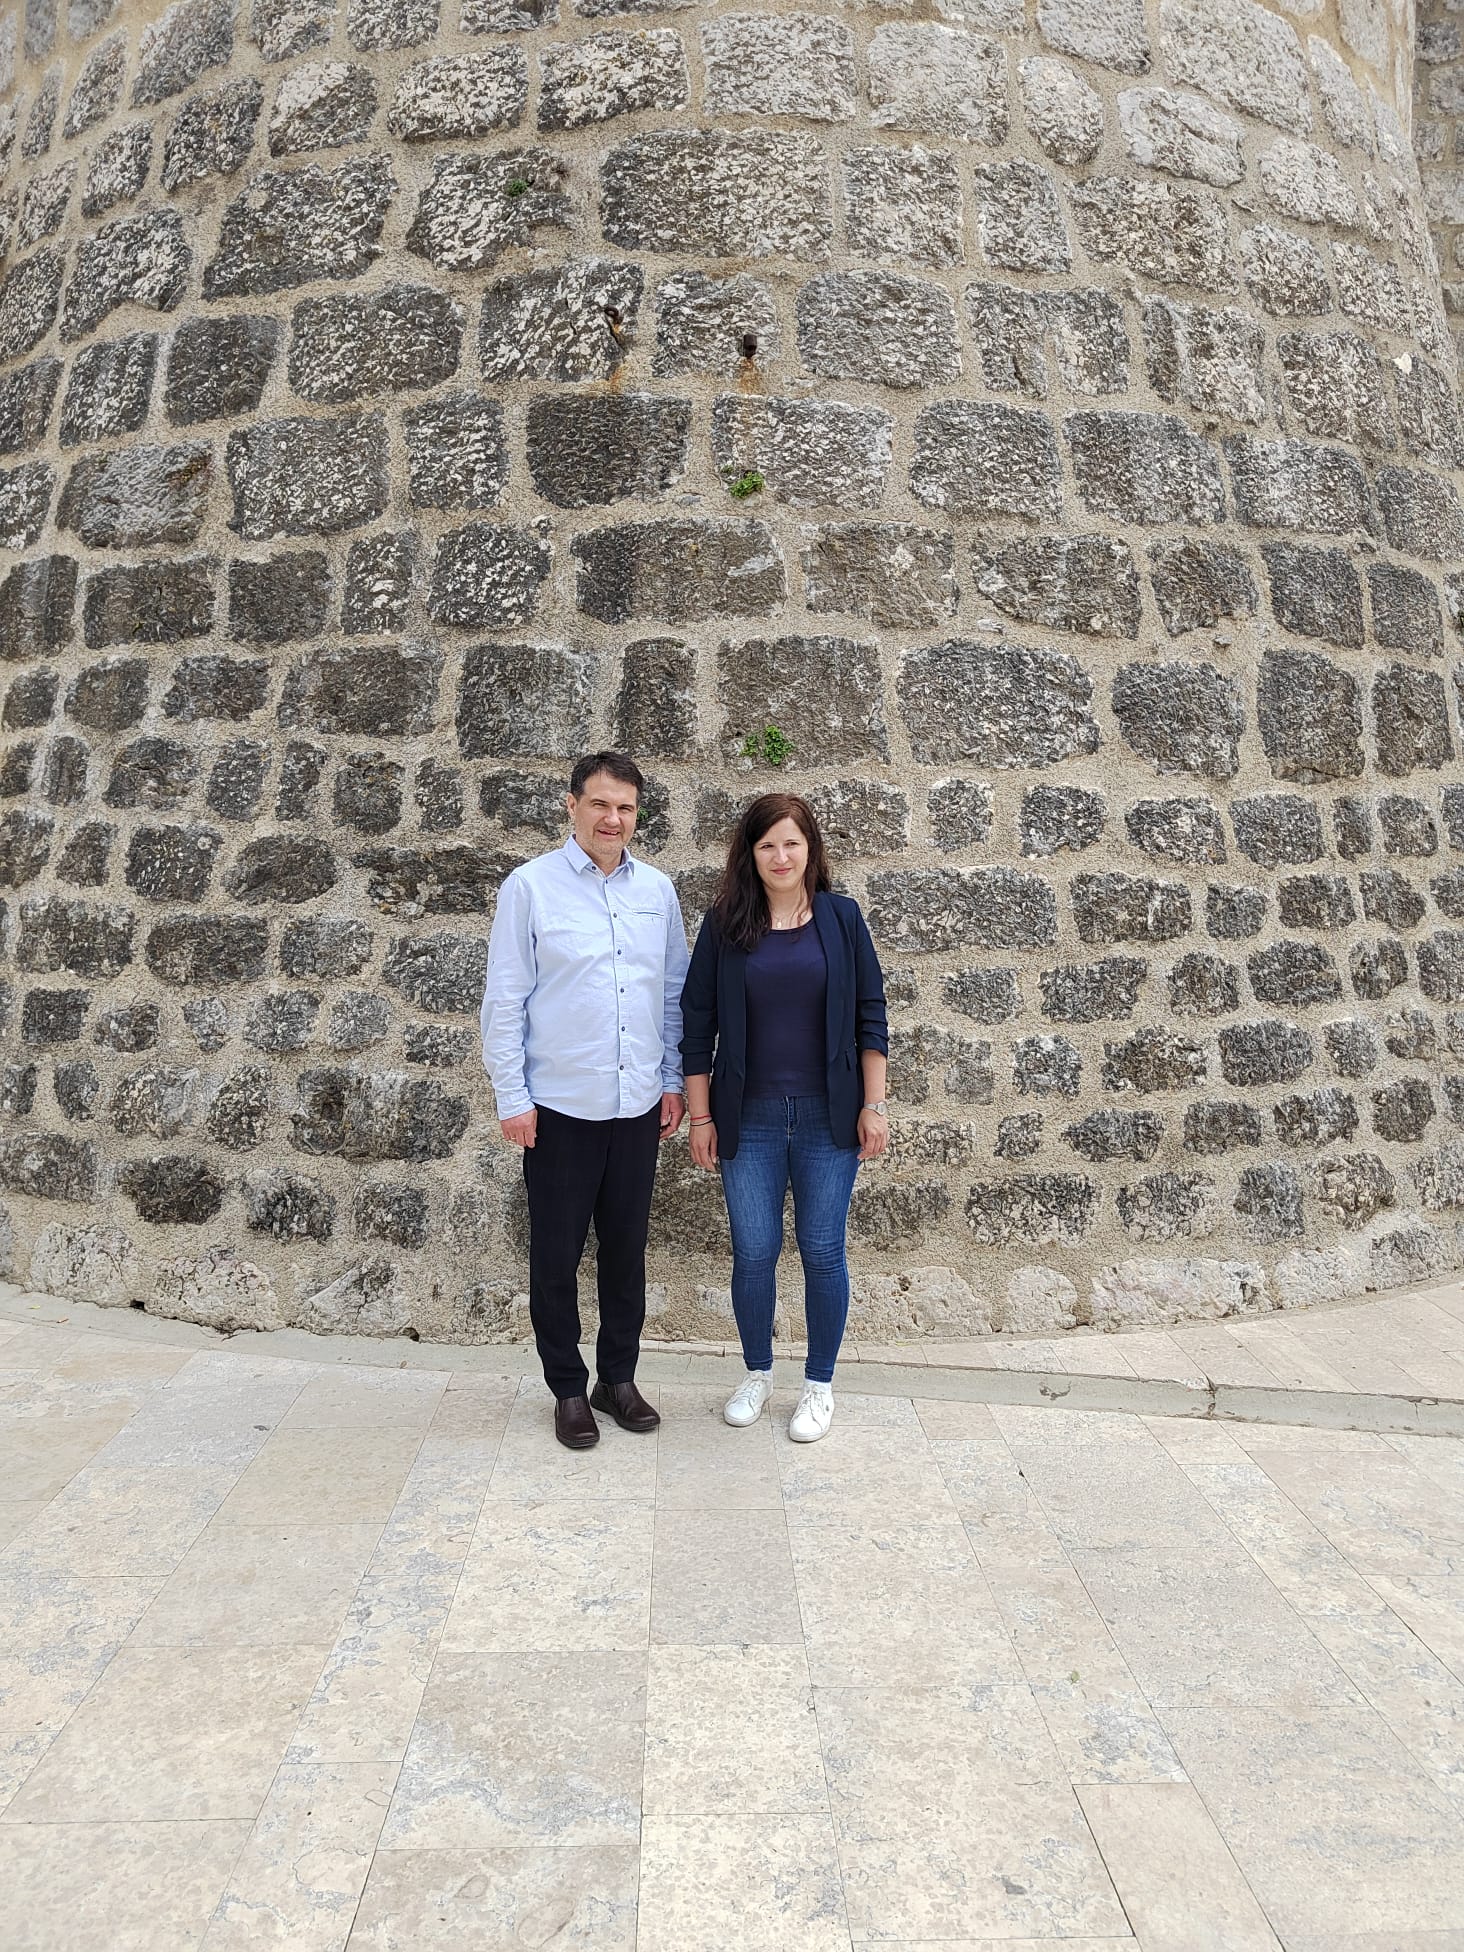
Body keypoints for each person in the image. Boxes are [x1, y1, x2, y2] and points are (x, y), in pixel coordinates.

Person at [480, 752, 688, 1450]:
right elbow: (505, 1000)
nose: (612, 819)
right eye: (600, 804)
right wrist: (513, 1097)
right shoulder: (530, 888)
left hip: (636, 1106)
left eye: (625, 807)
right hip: (559, 1111)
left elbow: (671, 994)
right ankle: (568, 1388)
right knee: (556, 1257)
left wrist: (671, 1081)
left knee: (627, 1254)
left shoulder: (657, 891)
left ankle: (617, 1380)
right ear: (571, 805)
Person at [680, 792, 889, 1442]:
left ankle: (819, 1385)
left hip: (831, 1117)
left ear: (810, 849)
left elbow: (871, 1015)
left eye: (791, 843)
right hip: (750, 1119)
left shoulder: (841, 918)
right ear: (750, 853)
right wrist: (701, 1118)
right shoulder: (725, 923)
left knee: (823, 1250)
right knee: (754, 1252)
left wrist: (874, 1105)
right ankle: (758, 1373)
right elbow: (696, 1025)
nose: (780, 856)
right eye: (766, 844)